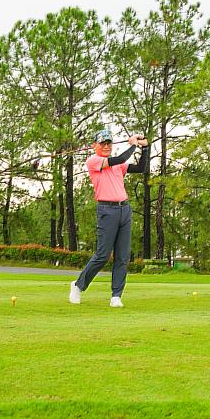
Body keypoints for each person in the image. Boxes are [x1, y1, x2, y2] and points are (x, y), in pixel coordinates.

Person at [69, 129, 149, 308]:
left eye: (109, 143)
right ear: (95, 146)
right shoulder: (94, 161)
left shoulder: (117, 166)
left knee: (122, 256)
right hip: (107, 210)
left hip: (124, 210)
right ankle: (78, 285)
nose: (106, 146)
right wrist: (133, 144)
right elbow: (120, 159)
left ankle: (116, 296)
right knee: (103, 254)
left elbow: (140, 168)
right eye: (103, 143)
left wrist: (146, 149)